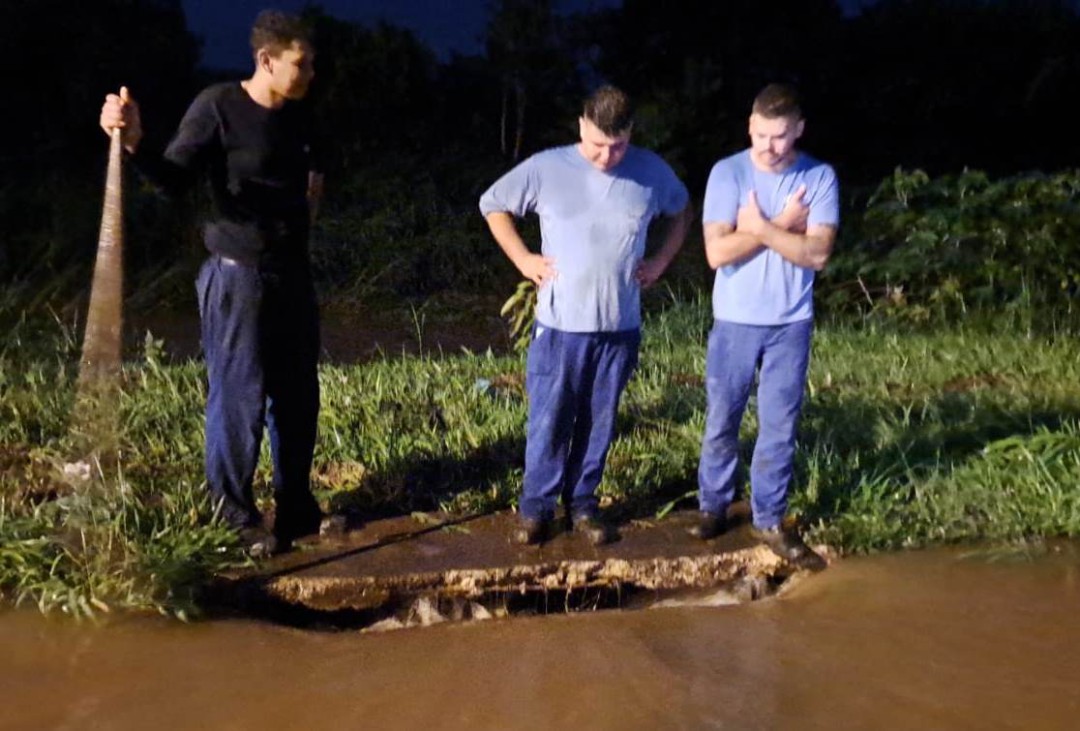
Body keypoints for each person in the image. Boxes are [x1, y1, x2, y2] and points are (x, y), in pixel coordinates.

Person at [99, 10, 326, 557]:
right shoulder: (219, 107)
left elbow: (314, 180)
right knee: (239, 397)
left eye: (312, 63)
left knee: (298, 397)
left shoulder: (302, 116)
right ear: (267, 61)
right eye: (301, 63)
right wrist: (134, 144)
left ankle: (295, 506)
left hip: (291, 273)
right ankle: (233, 517)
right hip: (236, 277)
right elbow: (172, 181)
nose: (310, 73)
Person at [480, 85, 692, 546]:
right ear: (582, 126)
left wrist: (659, 262)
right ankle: (536, 508)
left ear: (630, 134)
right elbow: (492, 205)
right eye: (597, 144)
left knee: (599, 419)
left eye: (617, 146)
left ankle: (583, 505)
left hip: (619, 326)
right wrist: (524, 260)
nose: (606, 155)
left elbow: (682, 211)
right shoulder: (547, 167)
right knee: (550, 418)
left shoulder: (651, 172)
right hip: (559, 326)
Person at [691, 83, 837, 569]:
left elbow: (816, 254)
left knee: (779, 424)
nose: (768, 147)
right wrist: (785, 224)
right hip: (735, 321)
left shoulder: (819, 176)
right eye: (759, 135)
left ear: (797, 130)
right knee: (722, 418)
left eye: (778, 137)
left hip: (790, 323)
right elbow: (717, 253)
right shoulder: (727, 172)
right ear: (749, 126)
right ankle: (713, 506)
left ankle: (768, 518)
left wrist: (756, 226)